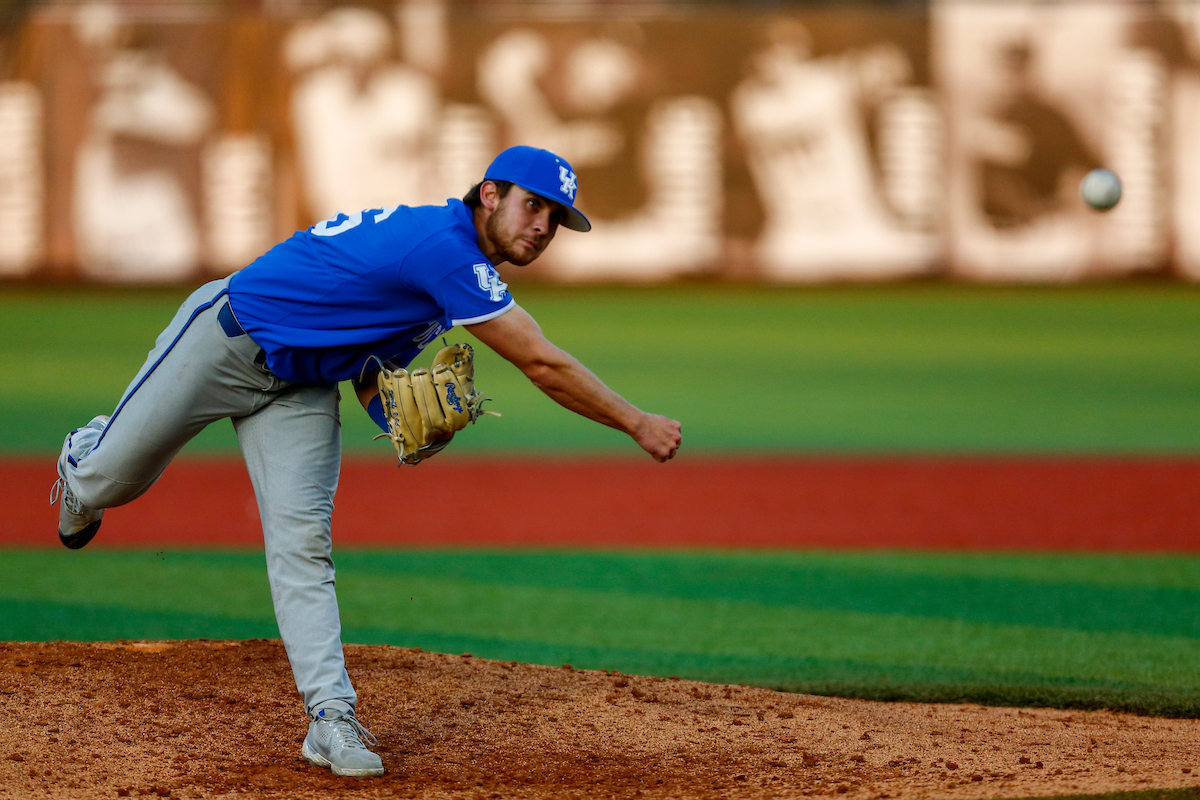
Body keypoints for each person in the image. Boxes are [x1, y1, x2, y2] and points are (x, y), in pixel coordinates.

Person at [49, 145, 683, 778]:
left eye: (556, 217)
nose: (543, 226)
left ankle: (330, 718)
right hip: (225, 340)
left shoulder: (454, 268)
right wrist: (637, 422)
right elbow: (542, 362)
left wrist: (400, 422)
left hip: (301, 387)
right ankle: (83, 458)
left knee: (303, 542)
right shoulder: (444, 250)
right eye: (533, 205)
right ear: (490, 195)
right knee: (108, 483)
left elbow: (370, 369)